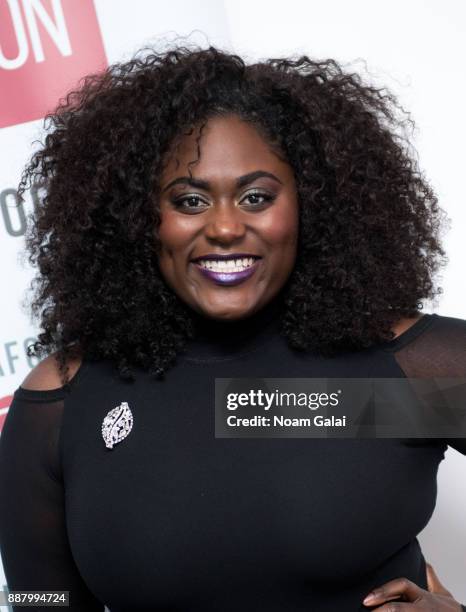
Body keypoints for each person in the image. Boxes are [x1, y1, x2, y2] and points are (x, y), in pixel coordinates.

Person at [0, 43, 465, 611]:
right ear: (136, 219)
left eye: (256, 196)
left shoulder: (405, 374)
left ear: (312, 203)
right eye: (189, 200)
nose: (225, 227)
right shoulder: (66, 402)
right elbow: (39, 597)